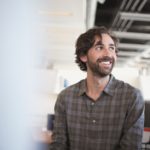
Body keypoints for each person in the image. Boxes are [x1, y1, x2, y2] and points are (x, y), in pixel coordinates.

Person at [49, 26, 144, 150]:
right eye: (99, 47)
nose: (108, 53)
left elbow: (131, 147)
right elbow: (58, 145)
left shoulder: (132, 97)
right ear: (84, 56)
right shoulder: (65, 98)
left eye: (112, 48)